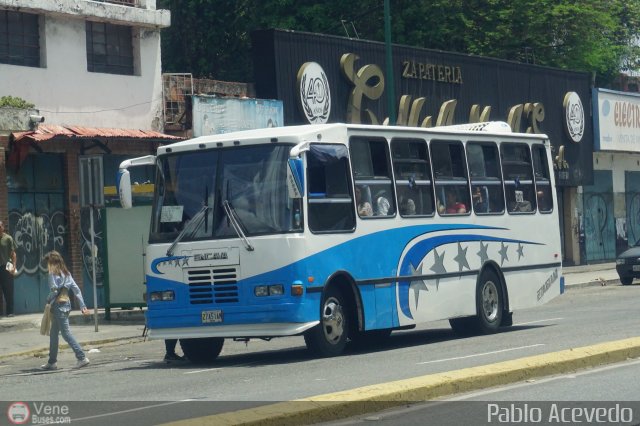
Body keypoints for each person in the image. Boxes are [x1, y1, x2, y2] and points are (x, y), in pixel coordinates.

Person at [40, 250, 90, 370]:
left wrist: (47, 300)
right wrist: (83, 306)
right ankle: (52, 362)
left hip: (58, 306)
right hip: (66, 305)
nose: (47, 265)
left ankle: (81, 357)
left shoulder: (52, 273)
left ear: (52, 262)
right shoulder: (67, 274)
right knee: (53, 335)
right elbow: (76, 290)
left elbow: (54, 291)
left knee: (66, 334)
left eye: (48, 262)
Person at [0, 220, 17, 317]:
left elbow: (13, 254)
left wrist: (14, 266)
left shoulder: (8, 238)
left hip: (6, 266)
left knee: (8, 290)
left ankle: (10, 311)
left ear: (3, 227)